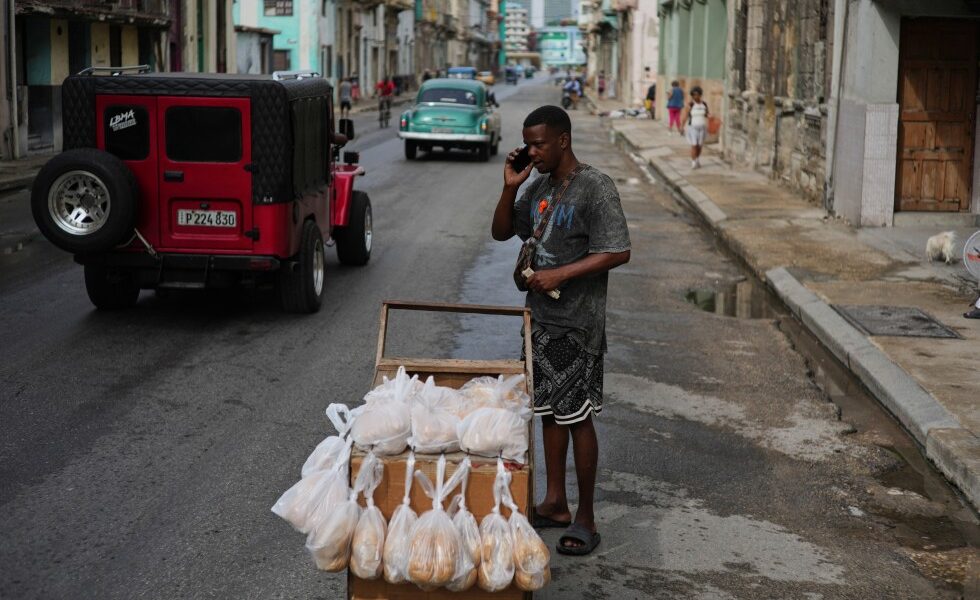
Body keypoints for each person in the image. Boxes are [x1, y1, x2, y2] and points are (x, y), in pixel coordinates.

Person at [491, 105, 631, 556]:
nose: (531, 151)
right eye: (528, 143)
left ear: (563, 140)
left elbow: (617, 250)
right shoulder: (538, 187)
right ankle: (555, 502)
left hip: (577, 325)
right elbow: (501, 233)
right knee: (549, 411)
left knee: (576, 417)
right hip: (540, 322)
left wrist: (562, 275)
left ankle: (586, 516)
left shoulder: (596, 187)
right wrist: (510, 187)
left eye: (539, 144)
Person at [680, 86, 709, 169]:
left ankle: (697, 159)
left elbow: (706, 114)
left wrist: (710, 116)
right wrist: (682, 127)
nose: (696, 96)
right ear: (692, 96)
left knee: (699, 145)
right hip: (692, 127)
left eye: (697, 95)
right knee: (694, 145)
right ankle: (693, 162)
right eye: (694, 95)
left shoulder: (704, 104)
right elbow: (685, 116)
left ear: (700, 95)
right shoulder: (690, 105)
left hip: (702, 127)